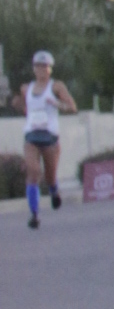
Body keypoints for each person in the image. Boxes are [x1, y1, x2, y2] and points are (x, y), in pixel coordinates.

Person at [12, 50, 77, 224]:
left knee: (50, 176)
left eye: (45, 66)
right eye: (38, 66)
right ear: (33, 68)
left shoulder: (56, 86)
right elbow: (23, 107)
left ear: (50, 69)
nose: (41, 70)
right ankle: (34, 214)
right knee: (33, 171)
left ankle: (54, 191)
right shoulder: (27, 88)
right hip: (31, 135)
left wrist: (57, 103)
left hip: (50, 136)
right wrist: (17, 102)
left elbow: (72, 107)